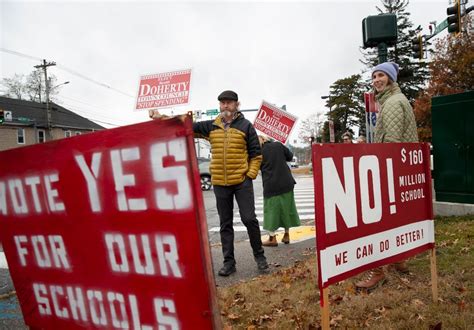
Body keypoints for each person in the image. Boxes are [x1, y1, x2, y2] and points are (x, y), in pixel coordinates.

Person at [151, 90, 268, 276]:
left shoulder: (246, 126)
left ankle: (260, 256)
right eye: (222, 103)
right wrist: (161, 118)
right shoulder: (211, 126)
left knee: (249, 219)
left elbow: (256, 155)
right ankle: (229, 262)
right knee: (225, 223)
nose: (225, 106)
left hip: (241, 181)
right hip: (220, 183)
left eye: (229, 103)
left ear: (237, 105)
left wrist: (250, 175)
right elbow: (187, 125)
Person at [355, 62, 418, 291]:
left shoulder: (391, 104)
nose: (376, 80)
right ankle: (399, 260)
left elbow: (391, 145)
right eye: (374, 76)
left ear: (390, 78)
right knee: (396, 218)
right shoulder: (396, 100)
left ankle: (378, 271)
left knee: (378, 222)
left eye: (381, 75)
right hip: (401, 170)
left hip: (391, 169)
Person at [258, 135, 300, 247]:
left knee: (271, 211)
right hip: (286, 182)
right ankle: (286, 235)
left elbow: (256, 166)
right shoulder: (278, 145)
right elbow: (290, 157)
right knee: (286, 209)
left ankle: (272, 238)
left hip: (271, 185)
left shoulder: (258, 151)